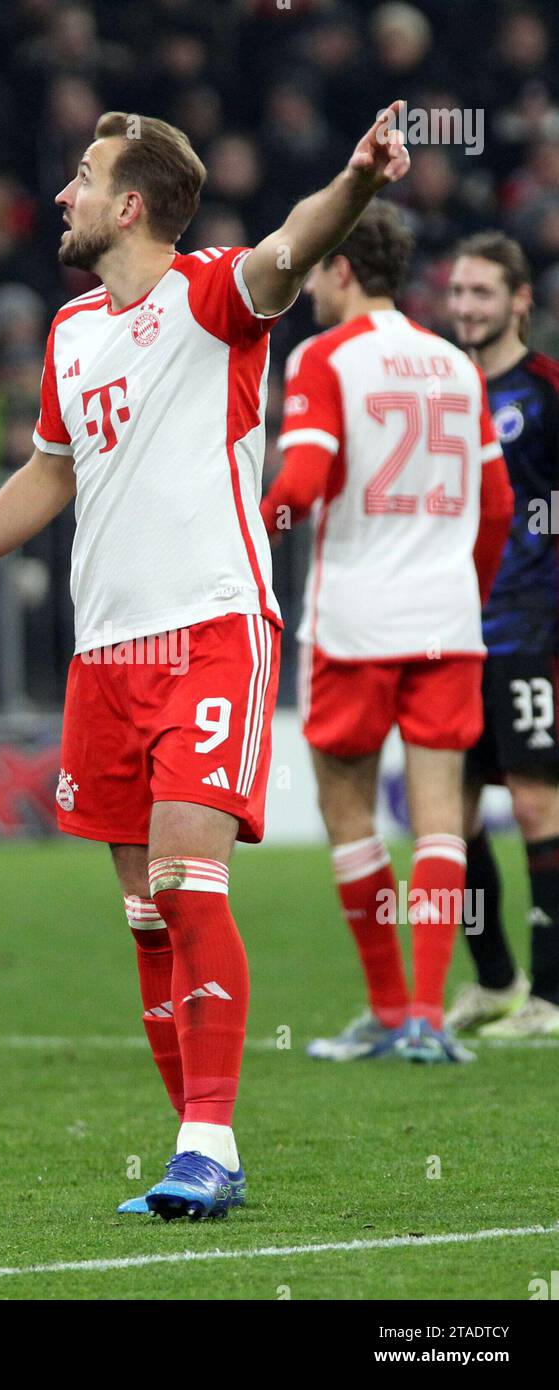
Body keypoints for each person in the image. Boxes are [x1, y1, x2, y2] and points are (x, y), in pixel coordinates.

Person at [0, 105, 410, 1219]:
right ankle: (198, 1144)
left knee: (184, 878)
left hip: (211, 628)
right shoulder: (69, 333)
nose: (59, 195)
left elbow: (295, 244)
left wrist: (356, 180)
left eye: (80, 177)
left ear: (129, 205)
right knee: (146, 919)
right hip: (104, 652)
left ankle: (206, 1143)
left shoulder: (211, 298)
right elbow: (47, 474)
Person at [260, 202, 514, 1064]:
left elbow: (303, 476)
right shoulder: (454, 363)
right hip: (446, 621)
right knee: (441, 817)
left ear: (339, 269)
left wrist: (257, 526)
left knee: (348, 809)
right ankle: (429, 1022)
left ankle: (385, 1007)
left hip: (356, 620)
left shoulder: (323, 357)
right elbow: (501, 506)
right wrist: (465, 591)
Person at [446, 232, 559, 1038]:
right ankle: (493, 980)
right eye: (457, 292)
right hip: (448, 631)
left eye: (481, 293)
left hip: (527, 625)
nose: (465, 307)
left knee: (532, 802)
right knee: (447, 813)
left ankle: (550, 998)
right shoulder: (441, 388)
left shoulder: (545, 390)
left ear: (518, 299)